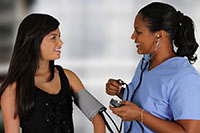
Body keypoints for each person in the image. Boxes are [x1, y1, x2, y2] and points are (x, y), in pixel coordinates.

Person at [0, 13, 106, 133]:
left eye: (59, 36)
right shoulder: (12, 91)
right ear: (35, 40)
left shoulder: (68, 77)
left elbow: (98, 118)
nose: (60, 42)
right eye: (53, 37)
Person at [105, 2, 200, 133]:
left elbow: (190, 132)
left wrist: (140, 115)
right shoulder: (145, 62)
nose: (133, 37)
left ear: (159, 35)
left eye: (138, 32)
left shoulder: (184, 77)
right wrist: (120, 91)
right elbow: (152, 103)